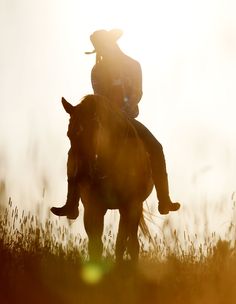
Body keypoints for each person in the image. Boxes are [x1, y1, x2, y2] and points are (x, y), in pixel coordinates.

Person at [51, 29, 180, 219]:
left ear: (112, 43)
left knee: (155, 147)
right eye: (99, 48)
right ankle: (72, 203)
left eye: (103, 46)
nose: (101, 50)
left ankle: (164, 199)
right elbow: (99, 97)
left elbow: (138, 92)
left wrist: (125, 108)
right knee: (76, 150)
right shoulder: (97, 70)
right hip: (104, 119)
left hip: (128, 118)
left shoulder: (133, 65)